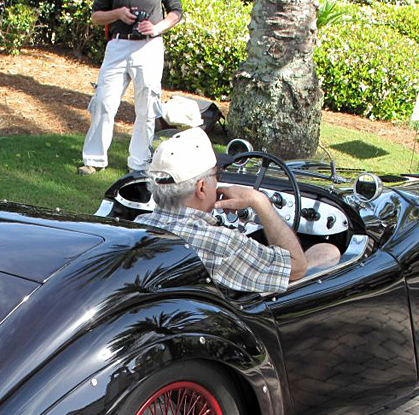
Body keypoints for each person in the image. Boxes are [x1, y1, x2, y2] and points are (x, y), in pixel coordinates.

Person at [135, 128, 342, 294]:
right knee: (328, 251)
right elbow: (297, 267)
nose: (218, 181)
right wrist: (259, 202)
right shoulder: (221, 244)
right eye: (217, 174)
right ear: (201, 188)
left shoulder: (138, 225)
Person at [78, 0, 183, 176]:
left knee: (147, 106)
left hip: (150, 46)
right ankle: (93, 160)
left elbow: (176, 12)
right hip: (118, 45)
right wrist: (118, 14)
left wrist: (157, 28)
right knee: (103, 101)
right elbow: (96, 17)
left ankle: (139, 163)